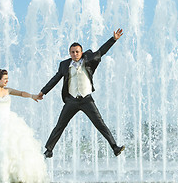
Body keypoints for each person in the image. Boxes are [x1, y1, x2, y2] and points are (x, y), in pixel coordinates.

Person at [38, 28, 125, 158]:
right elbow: (55, 79)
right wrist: (43, 92)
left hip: (86, 100)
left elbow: (101, 51)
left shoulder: (89, 61)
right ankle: (49, 150)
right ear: (69, 53)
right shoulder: (64, 65)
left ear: (81, 52)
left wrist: (113, 39)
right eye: (72, 52)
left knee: (100, 124)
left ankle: (115, 147)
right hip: (72, 100)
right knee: (60, 125)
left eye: (77, 52)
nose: (75, 54)